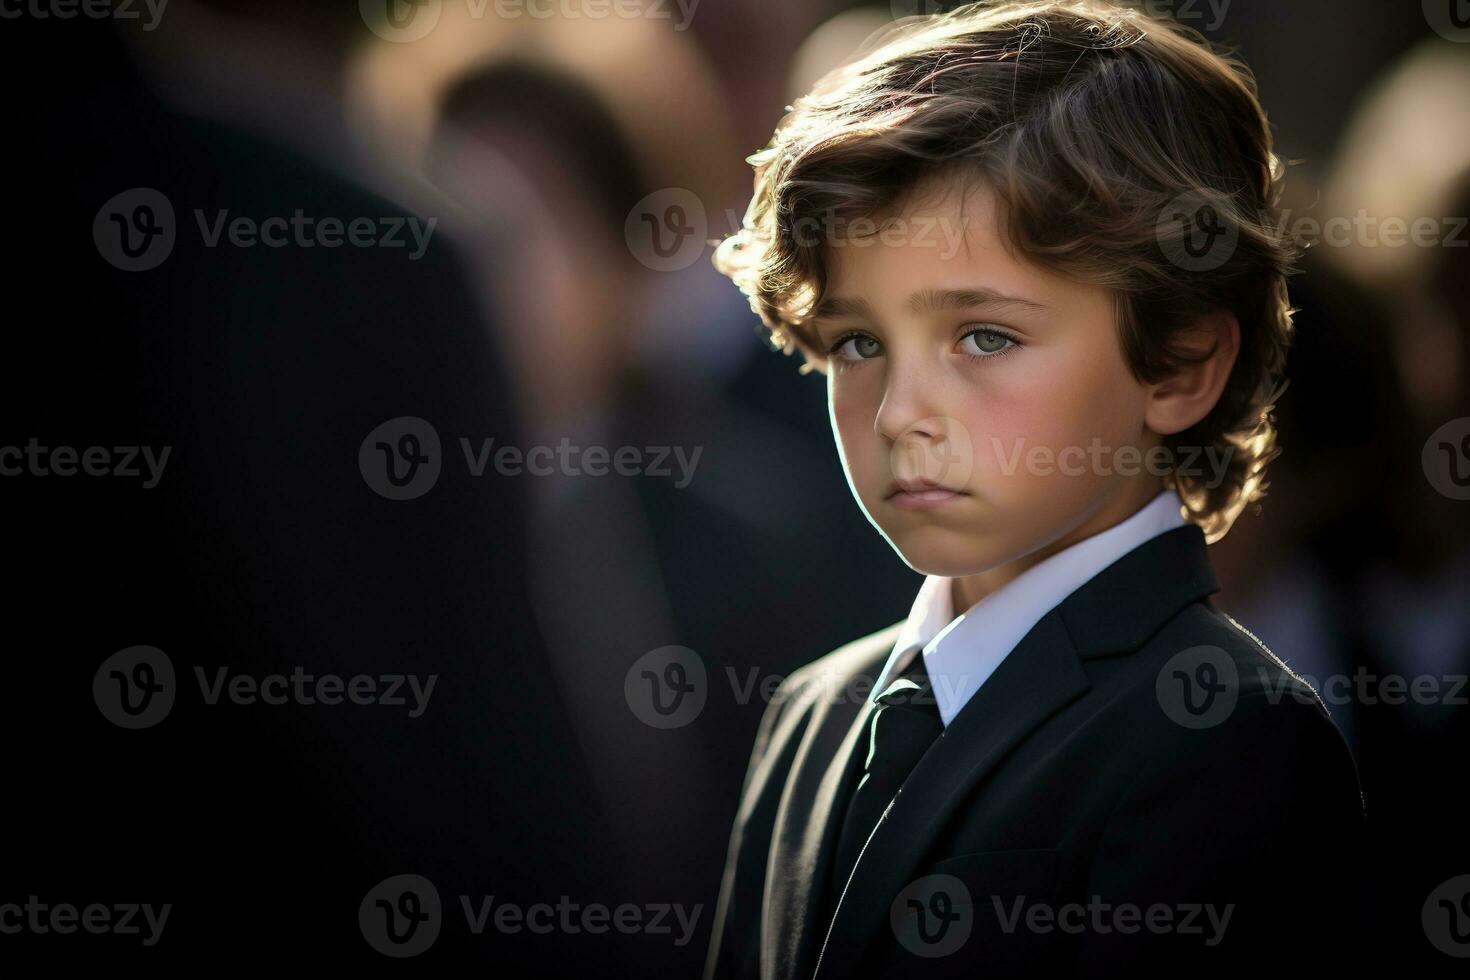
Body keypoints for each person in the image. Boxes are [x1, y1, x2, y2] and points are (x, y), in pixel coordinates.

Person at [702, 3, 1364, 977]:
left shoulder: (1228, 734)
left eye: (985, 337)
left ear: (1179, 363)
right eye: (859, 343)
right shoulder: (814, 711)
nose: (897, 415)